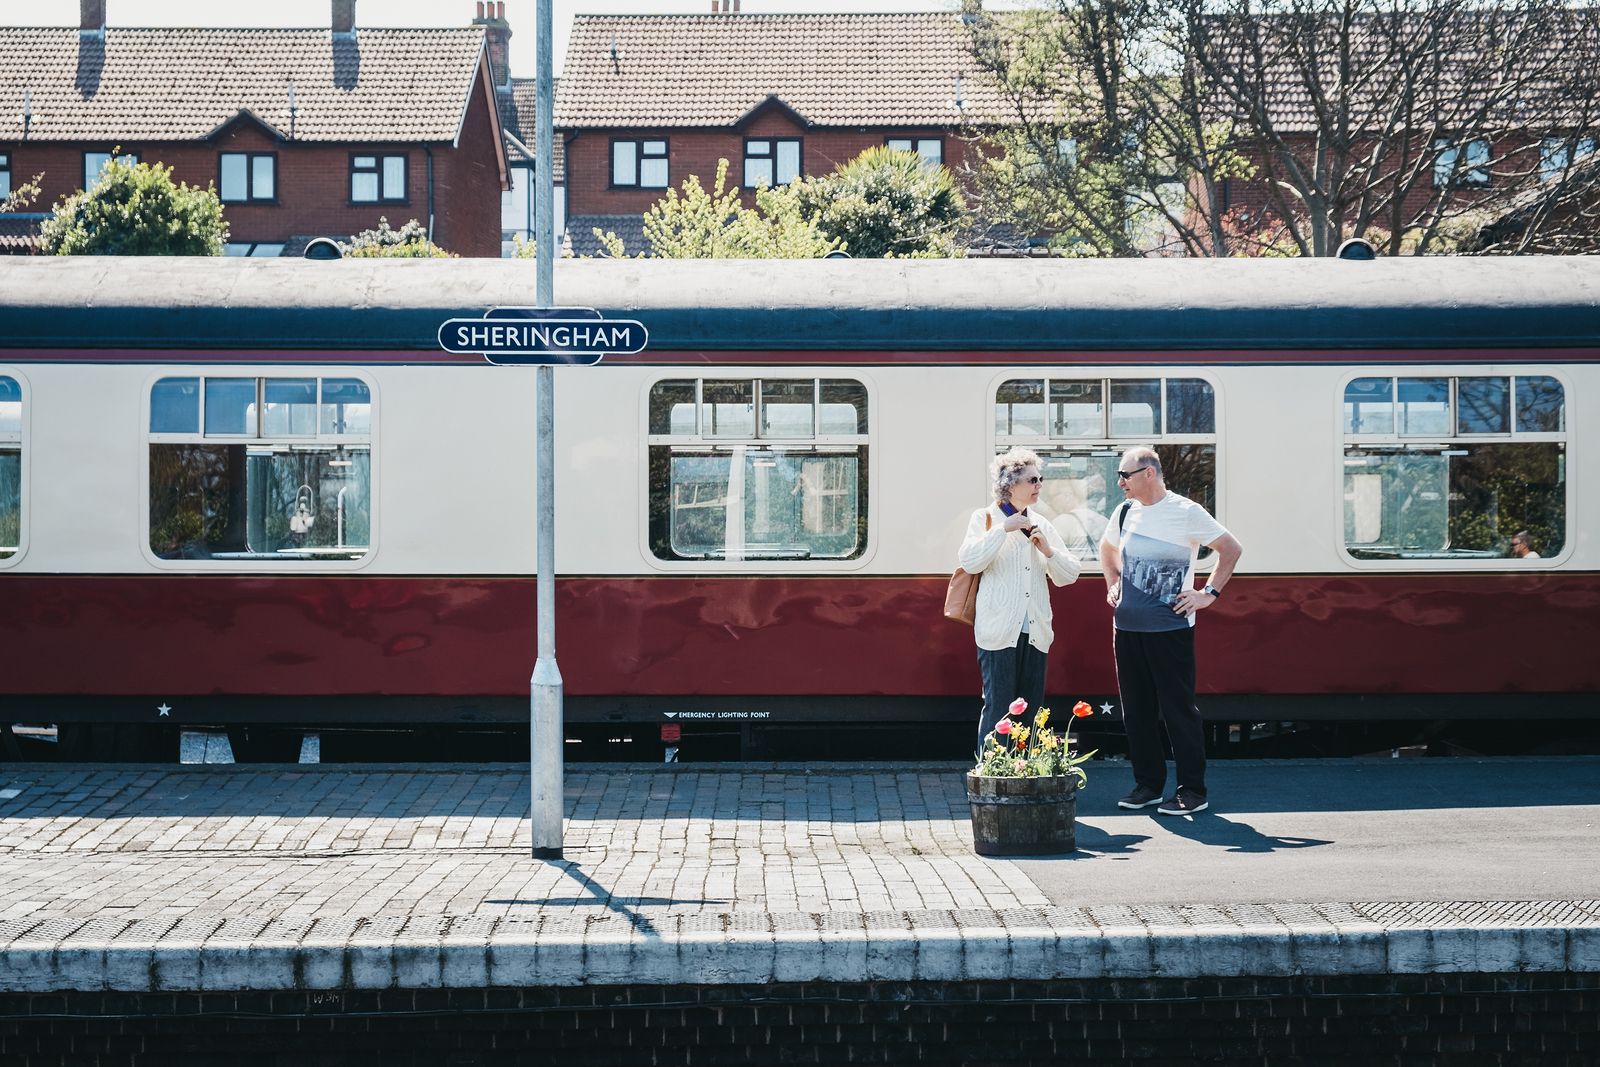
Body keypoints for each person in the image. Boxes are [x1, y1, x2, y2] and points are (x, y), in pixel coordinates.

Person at [1099, 447, 1242, 816]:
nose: (1120, 482)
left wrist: (1207, 594)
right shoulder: (1125, 511)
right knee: (1136, 712)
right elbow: (1106, 547)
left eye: (1125, 475)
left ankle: (1192, 790)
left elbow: (1230, 548)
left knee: (1178, 711)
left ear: (1149, 473)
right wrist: (1113, 580)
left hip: (1170, 629)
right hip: (1127, 628)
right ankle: (1148, 785)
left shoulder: (1185, 511)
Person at [959, 448, 1082, 755]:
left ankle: (1022, 773)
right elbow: (970, 561)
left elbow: (1069, 575)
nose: (1039, 485)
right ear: (1010, 484)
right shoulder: (985, 518)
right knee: (998, 708)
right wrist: (1003, 530)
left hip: (1036, 631)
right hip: (998, 632)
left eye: (1040, 479)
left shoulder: (1042, 522)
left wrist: (1048, 551)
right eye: (1032, 480)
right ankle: (990, 774)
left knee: (1029, 710)